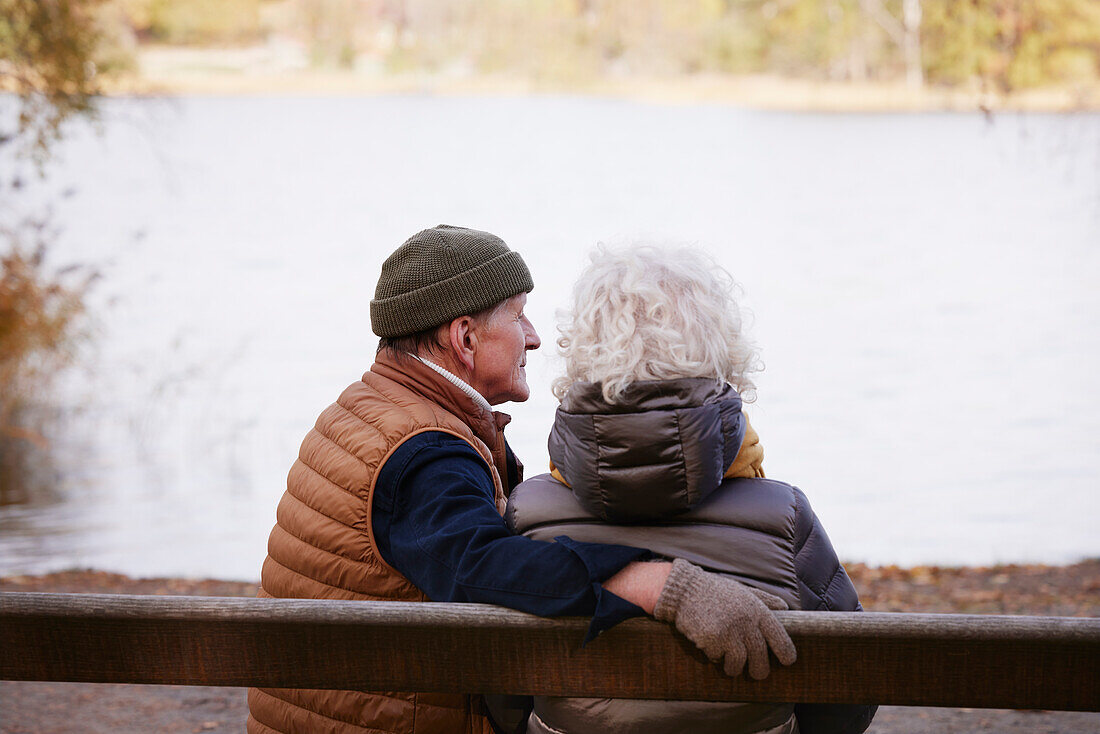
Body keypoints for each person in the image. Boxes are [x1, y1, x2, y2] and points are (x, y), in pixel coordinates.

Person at [245, 226, 796, 734]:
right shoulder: (423, 452)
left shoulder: (376, 410)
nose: (534, 339)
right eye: (518, 317)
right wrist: (655, 584)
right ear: (464, 337)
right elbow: (481, 567)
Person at [506, 244, 877, 734]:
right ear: (721, 351)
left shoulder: (528, 514)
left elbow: (502, 692)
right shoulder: (784, 516)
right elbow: (849, 692)